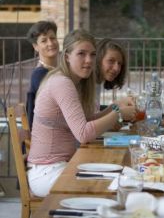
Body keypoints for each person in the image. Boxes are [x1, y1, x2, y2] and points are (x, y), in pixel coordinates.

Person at [27, 29, 136, 197]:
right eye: (81, 54)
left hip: (63, 165)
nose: (88, 60)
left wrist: (114, 107)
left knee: (123, 176)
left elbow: (86, 120)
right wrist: (118, 112)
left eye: (92, 55)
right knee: (115, 185)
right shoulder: (61, 83)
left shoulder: (73, 82)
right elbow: (84, 134)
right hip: (46, 172)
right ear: (67, 56)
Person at [26, 20, 59, 129]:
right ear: (35, 46)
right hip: (46, 136)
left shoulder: (55, 70)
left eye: (53, 38)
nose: (50, 43)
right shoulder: (40, 74)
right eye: (44, 40)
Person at [95, 38, 127, 108]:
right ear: (98, 60)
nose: (116, 68)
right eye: (111, 61)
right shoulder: (86, 83)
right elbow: (88, 119)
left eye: (119, 63)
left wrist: (118, 106)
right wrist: (119, 113)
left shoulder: (96, 83)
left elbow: (95, 112)